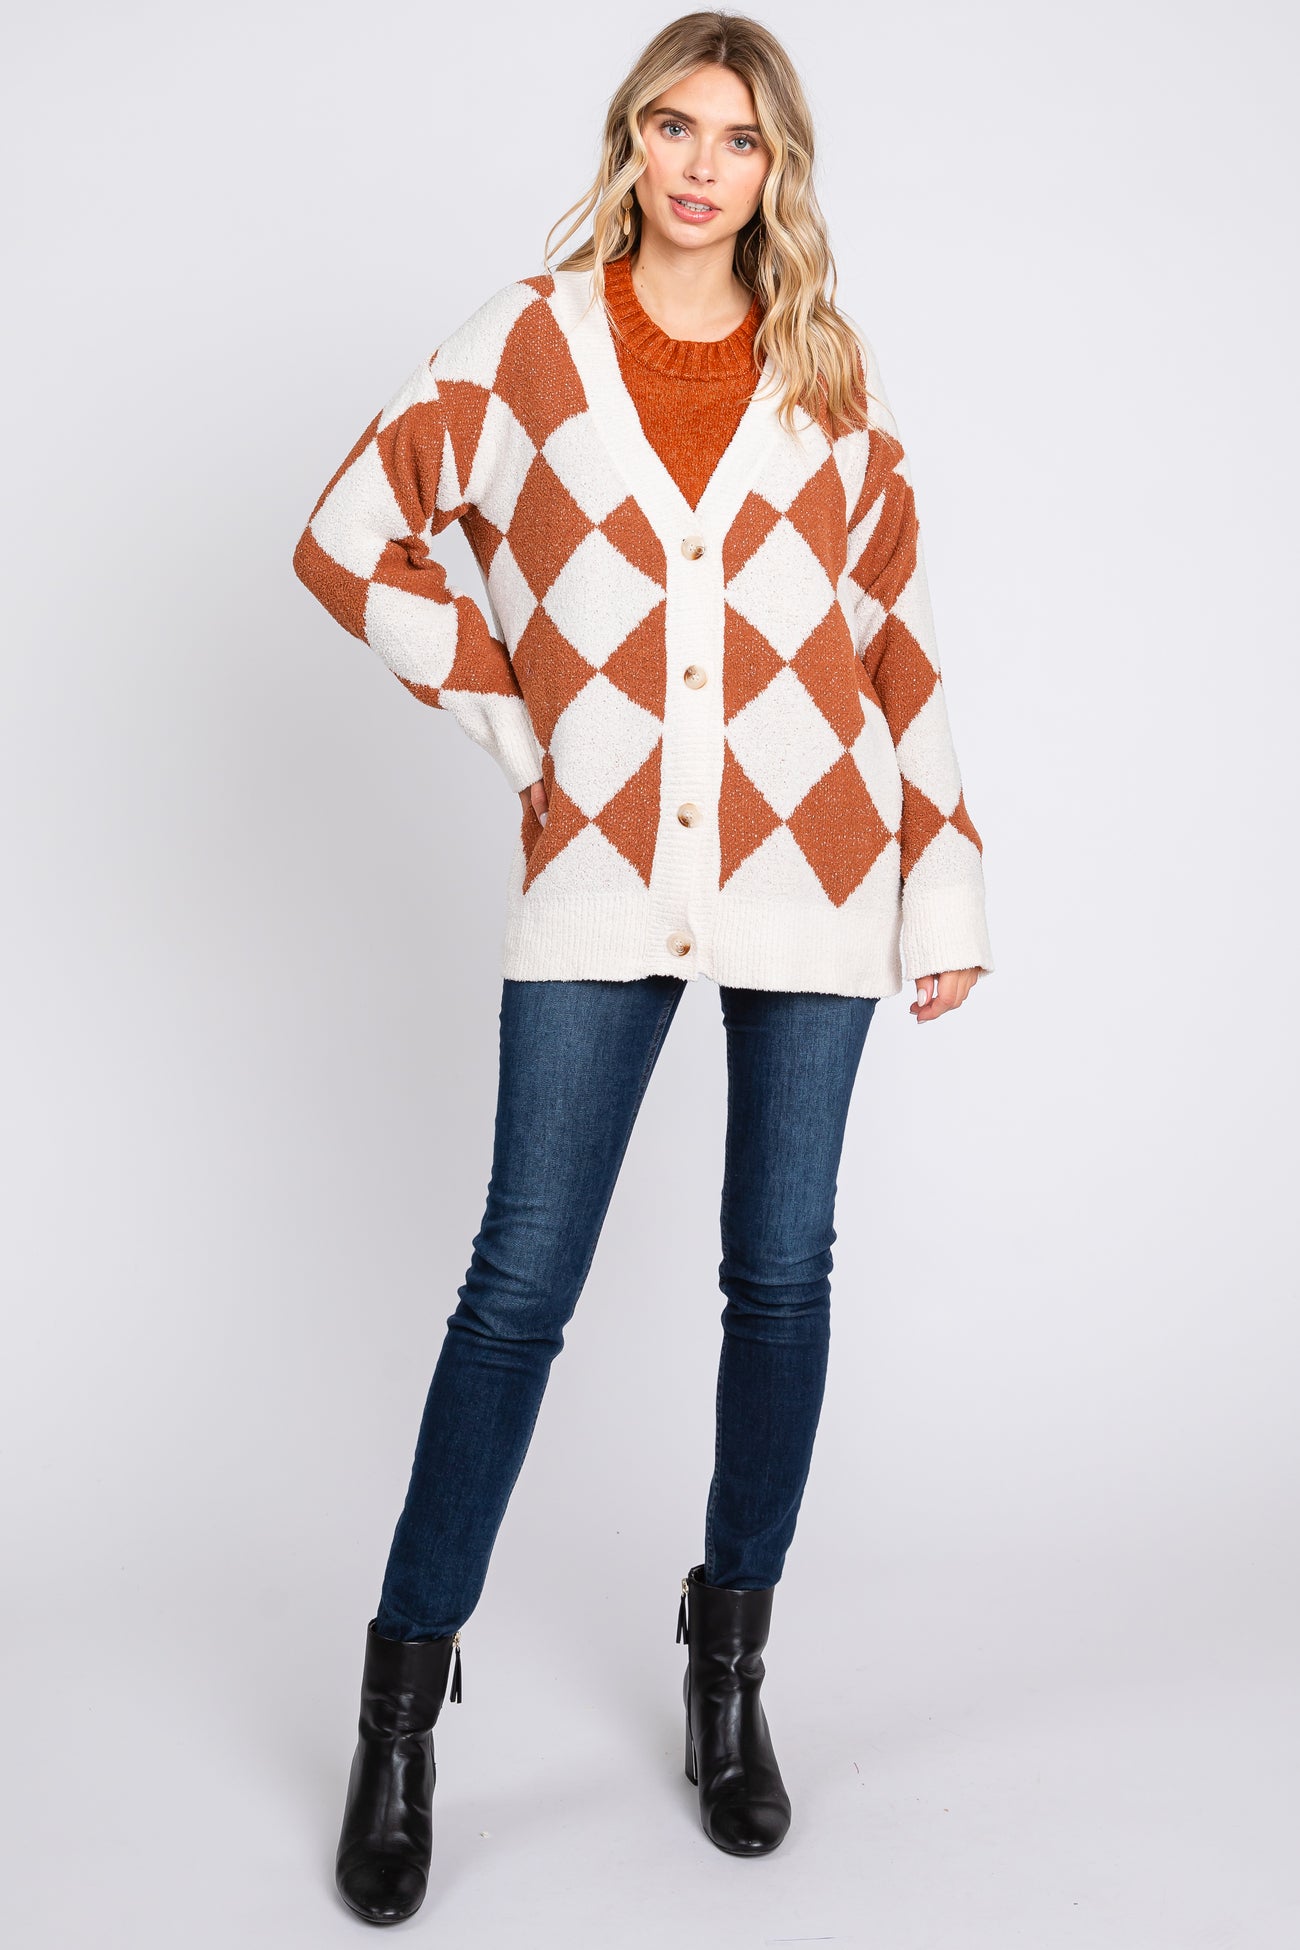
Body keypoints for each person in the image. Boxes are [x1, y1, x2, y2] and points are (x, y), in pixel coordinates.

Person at [292, 9, 994, 1925]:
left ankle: (729, 1666)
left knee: (782, 1275)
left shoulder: (825, 368)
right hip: (604, 871)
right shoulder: (530, 343)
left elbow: (895, 640)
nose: (702, 166)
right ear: (632, 142)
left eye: (739, 140)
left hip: (820, 871)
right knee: (518, 1285)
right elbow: (350, 536)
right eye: (675, 127)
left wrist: (943, 882)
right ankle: (400, 1710)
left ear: (779, 173)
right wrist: (523, 725)